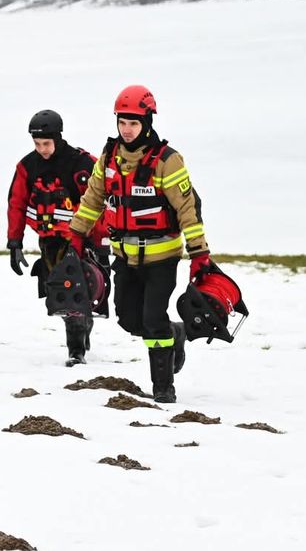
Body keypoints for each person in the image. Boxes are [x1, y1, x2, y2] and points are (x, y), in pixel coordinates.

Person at [67, 85, 211, 403]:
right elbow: (93, 199)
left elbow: (187, 210)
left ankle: (163, 389)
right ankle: (176, 333)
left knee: (153, 319)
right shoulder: (109, 158)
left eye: (133, 122)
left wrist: (199, 253)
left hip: (162, 258)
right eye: (122, 122)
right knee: (129, 319)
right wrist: (76, 234)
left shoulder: (168, 161)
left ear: (147, 122)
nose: (127, 129)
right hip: (124, 257)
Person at [6, 109, 105, 366]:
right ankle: (82, 329)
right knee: (62, 295)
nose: (42, 149)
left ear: (58, 138)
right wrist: (14, 242)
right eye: (37, 144)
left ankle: (76, 352)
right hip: (49, 241)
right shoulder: (27, 166)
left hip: (81, 239)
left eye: (46, 143)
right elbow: (16, 204)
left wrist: (101, 242)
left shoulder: (82, 163)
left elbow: (101, 200)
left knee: (73, 290)